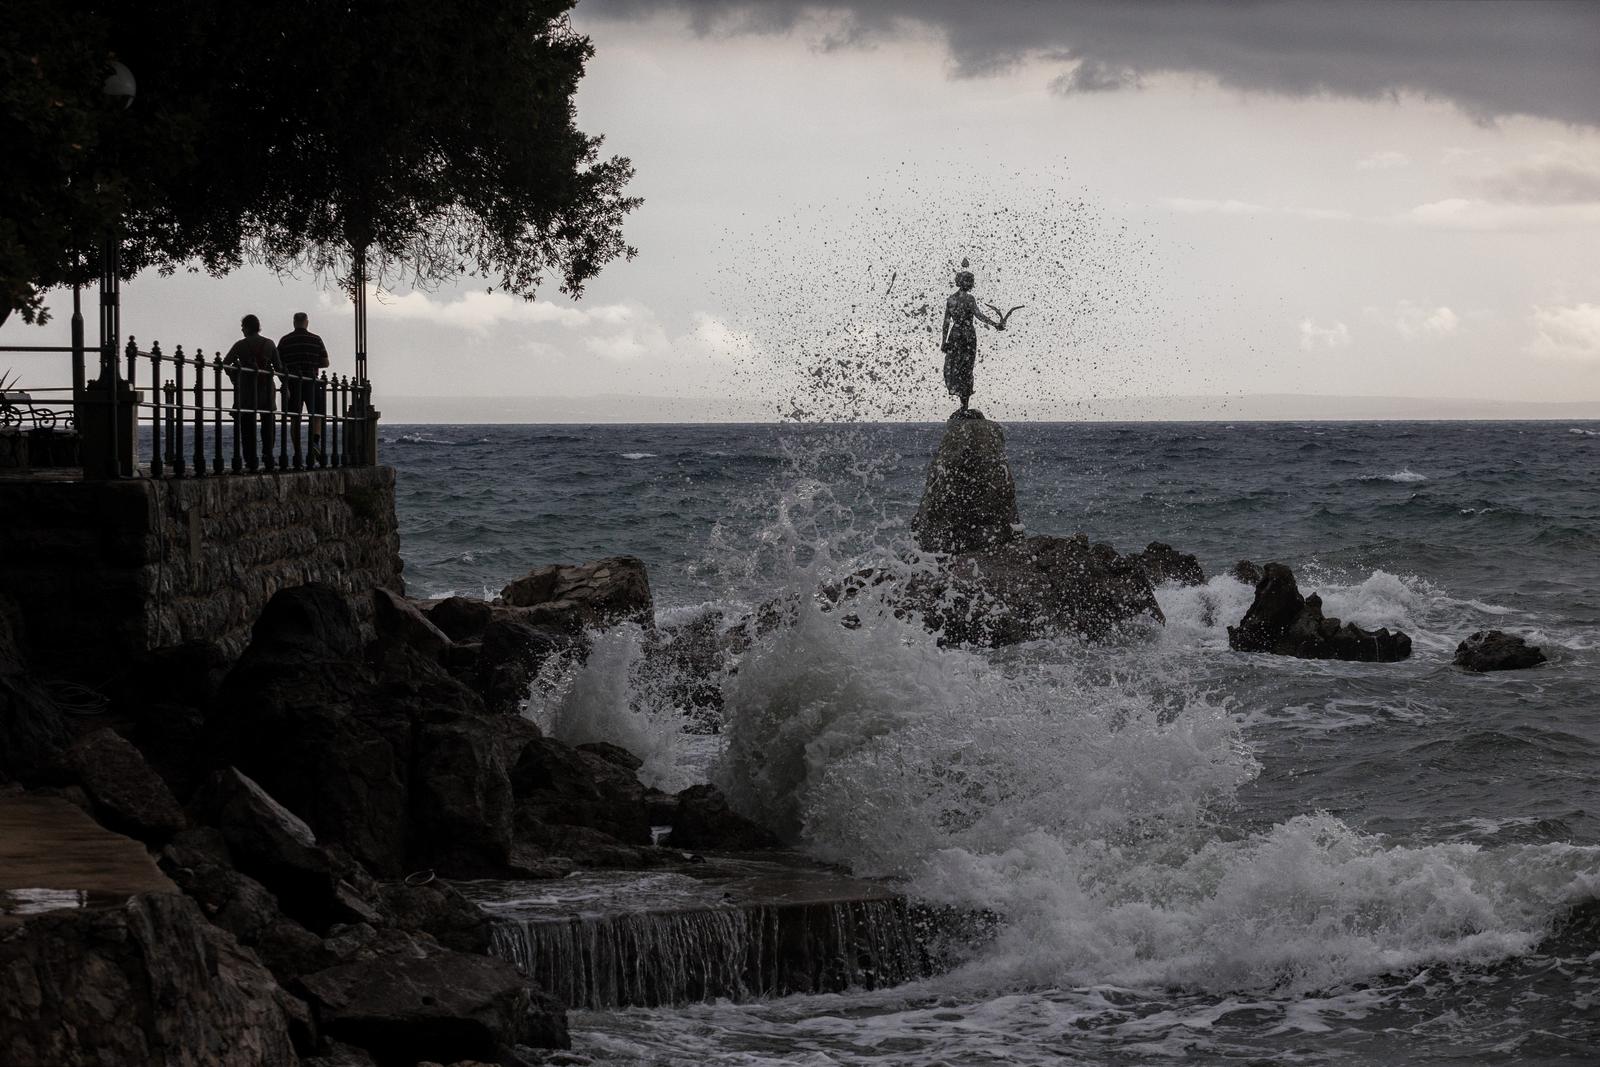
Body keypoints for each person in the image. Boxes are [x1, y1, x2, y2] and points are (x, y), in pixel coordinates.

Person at [940, 260, 1004, 416]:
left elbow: (946, 323)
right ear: (965, 283)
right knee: (966, 370)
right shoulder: (969, 299)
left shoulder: (951, 300)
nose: (972, 285)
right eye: (971, 282)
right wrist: (996, 324)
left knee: (955, 368)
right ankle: (964, 405)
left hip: (954, 336)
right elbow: (979, 315)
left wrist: (944, 342)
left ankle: (963, 406)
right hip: (967, 335)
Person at [222, 314, 284, 471]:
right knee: (268, 423)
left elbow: (226, 363)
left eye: (243, 327)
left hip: (247, 391)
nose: (242, 330)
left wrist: (235, 377)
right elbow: (279, 368)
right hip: (267, 390)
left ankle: (250, 459)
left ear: (247, 328)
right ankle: (268, 455)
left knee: (247, 425)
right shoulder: (269, 344)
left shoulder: (240, 345)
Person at [277, 312, 331, 465]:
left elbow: (278, 362)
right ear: (307, 322)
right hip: (311, 380)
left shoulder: (285, 340)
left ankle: (297, 452)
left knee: (295, 417)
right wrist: (313, 363)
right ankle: (314, 442)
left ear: (294, 322)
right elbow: (326, 362)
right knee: (316, 414)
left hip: (293, 382)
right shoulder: (316, 339)